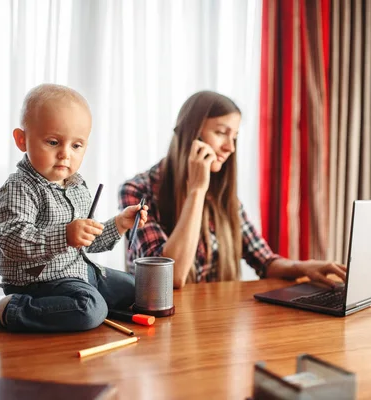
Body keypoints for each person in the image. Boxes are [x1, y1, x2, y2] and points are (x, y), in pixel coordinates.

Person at [119, 90, 345, 289]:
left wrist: (304, 267)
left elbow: (265, 261)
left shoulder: (224, 196)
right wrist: (196, 191)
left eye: (234, 137)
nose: (230, 147)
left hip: (216, 320)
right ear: (191, 134)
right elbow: (169, 278)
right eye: (220, 133)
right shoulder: (137, 192)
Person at [0, 83, 148, 332]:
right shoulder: (20, 187)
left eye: (76, 146)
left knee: (139, 289)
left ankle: (90, 307)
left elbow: (87, 242)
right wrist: (65, 235)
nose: (65, 154)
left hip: (78, 271)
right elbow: (12, 241)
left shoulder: (77, 186)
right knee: (89, 309)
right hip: (38, 282)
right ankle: (12, 309)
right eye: (53, 142)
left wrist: (120, 223)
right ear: (22, 139)